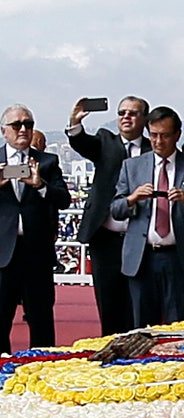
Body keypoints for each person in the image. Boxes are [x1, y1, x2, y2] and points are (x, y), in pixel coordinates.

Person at [0, 105, 72, 355]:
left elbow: (64, 199)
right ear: (3, 130)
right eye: (17, 125)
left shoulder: (47, 161)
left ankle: (42, 370)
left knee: (41, 319)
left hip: (36, 252)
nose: (23, 129)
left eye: (28, 124)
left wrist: (40, 184)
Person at [68, 96, 149, 335]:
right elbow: (82, 143)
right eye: (122, 112)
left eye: (133, 113)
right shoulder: (105, 141)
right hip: (105, 237)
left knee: (138, 302)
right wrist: (75, 123)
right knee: (108, 300)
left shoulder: (152, 148)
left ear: (144, 119)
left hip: (140, 237)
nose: (126, 117)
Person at [110, 105, 184, 326]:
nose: (158, 142)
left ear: (177, 136)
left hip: (177, 258)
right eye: (153, 135)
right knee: (141, 327)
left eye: (165, 136)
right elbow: (115, 209)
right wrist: (132, 198)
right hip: (142, 258)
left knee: (177, 327)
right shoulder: (132, 166)